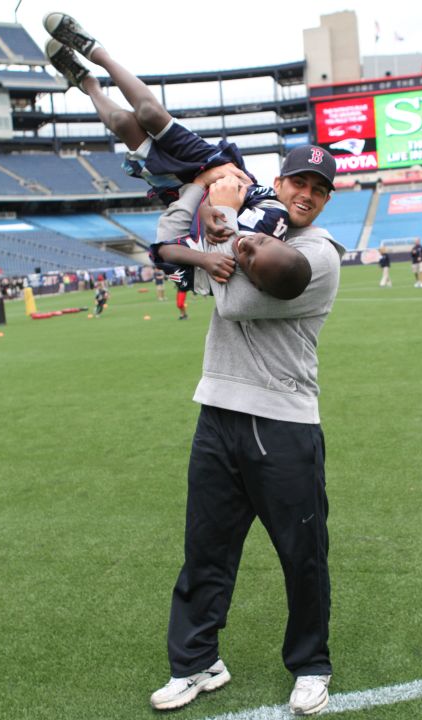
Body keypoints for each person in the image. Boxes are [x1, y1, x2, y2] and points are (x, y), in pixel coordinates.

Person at [146, 147, 343, 716]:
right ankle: (196, 662)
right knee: (204, 550)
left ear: (327, 199)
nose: (305, 194)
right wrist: (202, 184)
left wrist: (222, 224)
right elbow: (191, 262)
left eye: (319, 188)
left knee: (302, 554)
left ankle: (310, 665)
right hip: (217, 410)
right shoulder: (247, 231)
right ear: (276, 184)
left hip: (283, 422)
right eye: (297, 182)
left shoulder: (317, 253)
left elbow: (236, 300)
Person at [43, 13, 289, 235]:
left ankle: (87, 83)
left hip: (184, 193)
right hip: (218, 167)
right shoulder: (283, 222)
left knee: (122, 122)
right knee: (149, 113)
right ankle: (96, 52)